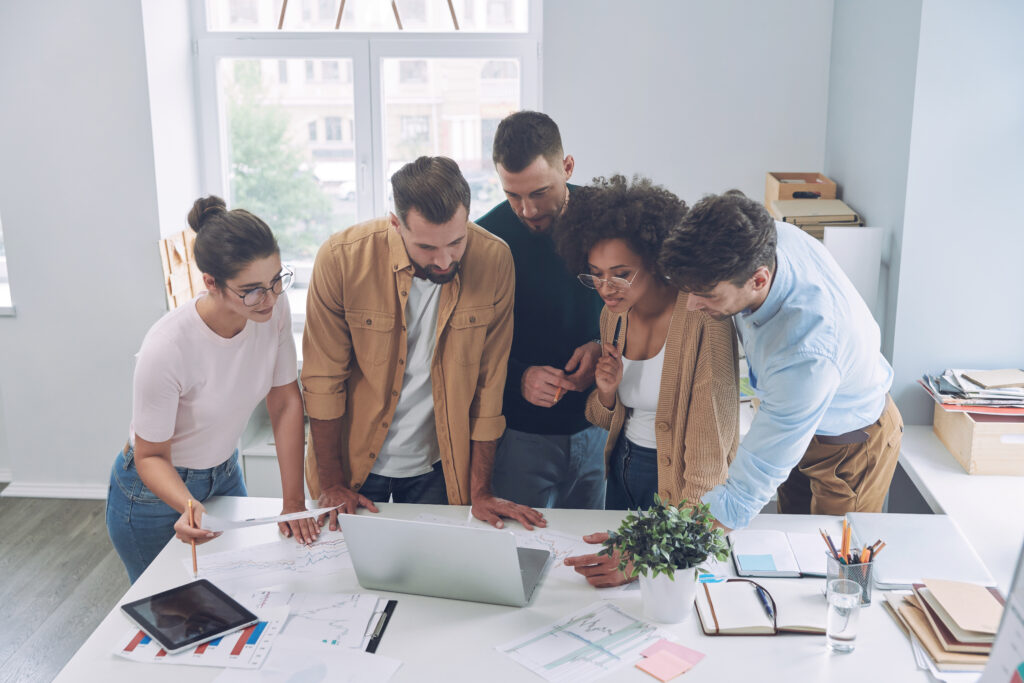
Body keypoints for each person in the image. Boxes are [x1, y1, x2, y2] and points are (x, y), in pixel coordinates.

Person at [300, 156, 544, 531]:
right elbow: (322, 381)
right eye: (427, 247)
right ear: (396, 224)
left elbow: (489, 385)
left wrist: (481, 490)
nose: (445, 259)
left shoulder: (494, 259)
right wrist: (332, 483)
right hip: (353, 469)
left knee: (438, 582)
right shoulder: (341, 259)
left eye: (456, 241)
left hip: (440, 468)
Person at [659, 192, 903, 531]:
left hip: (851, 446)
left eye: (708, 294)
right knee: (787, 542)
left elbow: (740, 499)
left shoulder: (807, 350)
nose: (692, 306)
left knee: (828, 562)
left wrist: (650, 556)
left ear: (758, 280)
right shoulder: (758, 236)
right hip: (800, 423)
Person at [106, 196, 314, 583]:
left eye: (275, 282)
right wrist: (188, 504)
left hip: (225, 472)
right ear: (211, 283)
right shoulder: (167, 347)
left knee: (243, 588)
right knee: (170, 610)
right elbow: (150, 455)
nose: (268, 299)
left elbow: (284, 401)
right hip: (153, 491)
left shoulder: (271, 309)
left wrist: (293, 501)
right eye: (251, 290)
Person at [553, 176, 740, 587]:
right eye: (596, 274)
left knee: (662, 584)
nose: (605, 288)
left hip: (677, 478)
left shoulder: (703, 319)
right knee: (616, 596)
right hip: (621, 468)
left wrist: (676, 536)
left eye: (620, 274)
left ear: (655, 260)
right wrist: (604, 392)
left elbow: (712, 452)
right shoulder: (612, 317)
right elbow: (607, 420)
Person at [475, 111, 606, 510]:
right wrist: (520, 377)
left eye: (538, 193)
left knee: (590, 555)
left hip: (601, 430)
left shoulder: (612, 221)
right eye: (512, 194)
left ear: (567, 167)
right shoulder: (484, 240)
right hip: (518, 439)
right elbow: (466, 348)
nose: (527, 210)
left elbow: (646, 310)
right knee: (517, 559)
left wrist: (603, 347)